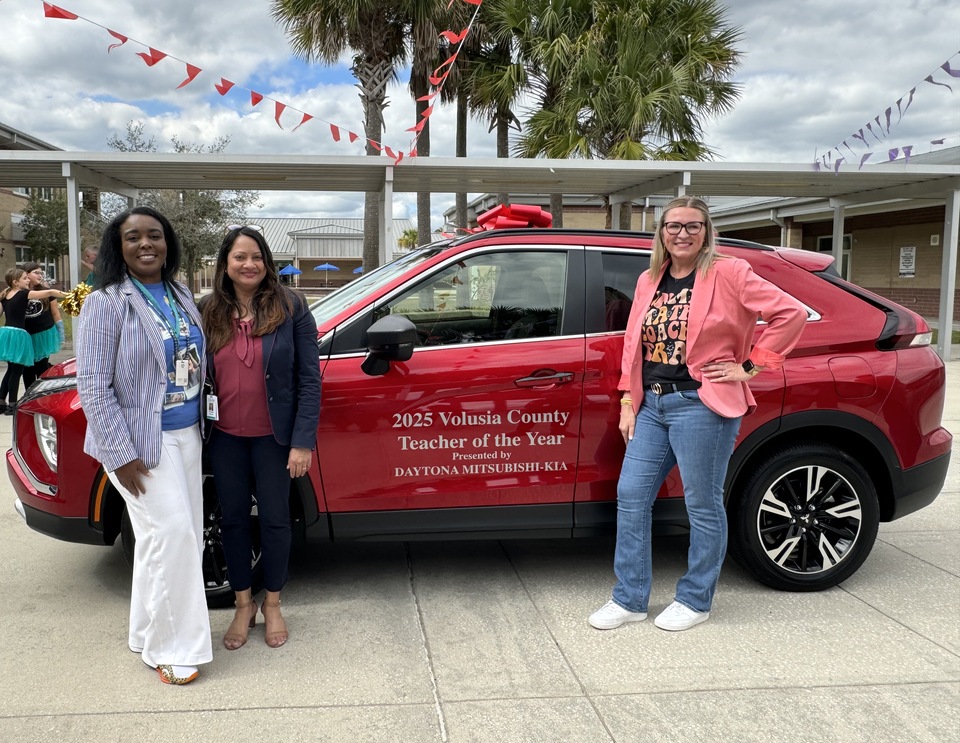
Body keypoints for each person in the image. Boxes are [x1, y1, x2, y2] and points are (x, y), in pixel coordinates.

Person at [589, 196, 807, 633]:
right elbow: (635, 345)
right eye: (673, 226)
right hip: (652, 405)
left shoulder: (729, 272)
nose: (682, 234)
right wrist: (628, 402)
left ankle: (695, 598)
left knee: (702, 504)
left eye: (693, 226)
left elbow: (791, 313)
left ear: (706, 231)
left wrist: (749, 366)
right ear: (661, 233)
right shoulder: (650, 278)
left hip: (701, 405)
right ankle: (630, 598)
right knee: (631, 498)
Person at [75, 206, 211, 685]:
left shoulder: (178, 292)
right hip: (137, 443)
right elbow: (92, 386)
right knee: (171, 534)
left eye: (155, 235)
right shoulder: (103, 303)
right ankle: (173, 648)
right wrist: (120, 454)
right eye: (133, 237)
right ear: (120, 246)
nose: (146, 244)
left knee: (172, 539)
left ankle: (145, 631)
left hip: (186, 433)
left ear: (168, 243)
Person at [200, 225, 320, 650]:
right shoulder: (208, 310)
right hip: (225, 438)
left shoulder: (292, 307)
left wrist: (302, 441)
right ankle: (242, 603)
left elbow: (309, 379)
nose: (249, 264)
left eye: (256, 257)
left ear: (267, 262)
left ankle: (272, 602)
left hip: (274, 438)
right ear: (225, 265)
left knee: (274, 519)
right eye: (239, 257)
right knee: (231, 520)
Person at [0, 268, 67, 413]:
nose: (28, 280)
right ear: (16, 282)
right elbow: (50, 293)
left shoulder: (5, 295)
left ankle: (1, 402)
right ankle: (12, 405)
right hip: (19, 335)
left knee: (11, 369)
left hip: (6, 333)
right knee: (17, 371)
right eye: (25, 278)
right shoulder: (24, 293)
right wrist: (69, 295)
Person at [22, 262, 65, 386]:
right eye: (36, 273)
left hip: (44, 334)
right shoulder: (19, 292)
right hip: (26, 335)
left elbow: (56, 313)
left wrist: (60, 332)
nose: (39, 275)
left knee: (42, 367)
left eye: (41, 273)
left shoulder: (47, 291)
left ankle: (42, 397)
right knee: (27, 368)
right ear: (26, 273)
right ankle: (28, 398)